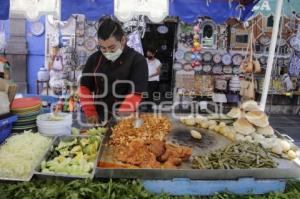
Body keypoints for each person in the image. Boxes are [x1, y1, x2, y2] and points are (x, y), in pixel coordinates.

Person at [79, 17, 148, 124]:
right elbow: (84, 87)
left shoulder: (137, 60)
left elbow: (136, 93)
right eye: (103, 48)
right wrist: (90, 112)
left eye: (112, 48)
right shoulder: (94, 59)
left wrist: (118, 119)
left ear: (123, 40)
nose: (107, 52)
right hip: (100, 115)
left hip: (127, 117)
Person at [146, 46, 162, 111]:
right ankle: (148, 107)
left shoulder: (157, 61)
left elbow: (158, 72)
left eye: (150, 53)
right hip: (146, 80)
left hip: (154, 80)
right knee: (146, 94)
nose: (148, 54)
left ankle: (149, 108)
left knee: (150, 94)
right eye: (147, 53)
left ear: (153, 54)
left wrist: (150, 75)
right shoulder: (145, 60)